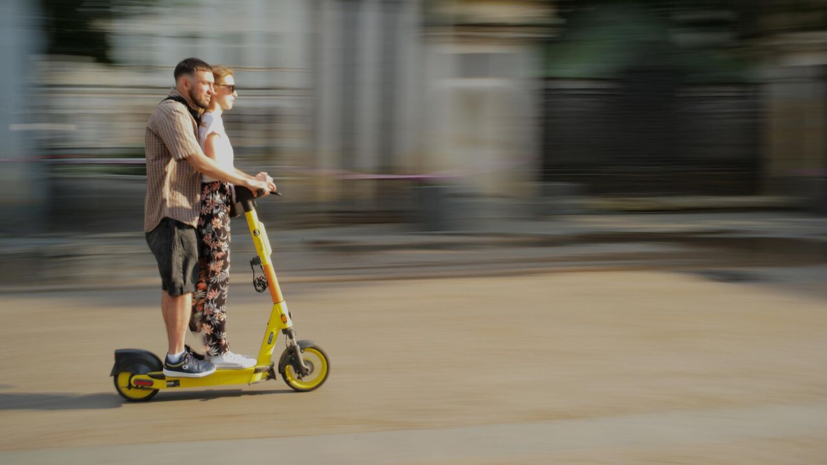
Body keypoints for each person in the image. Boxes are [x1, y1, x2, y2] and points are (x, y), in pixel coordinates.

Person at [144, 57, 275, 378]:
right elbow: (200, 163)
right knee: (180, 286)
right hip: (169, 212)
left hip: (184, 213)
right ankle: (177, 359)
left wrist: (249, 181)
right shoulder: (172, 112)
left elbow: (215, 167)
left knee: (190, 284)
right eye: (206, 83)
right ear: (185, 83)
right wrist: (248, 181)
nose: (212, 89)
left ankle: (200, 345)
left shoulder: (191, 114)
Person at [189, 65, 270, 369]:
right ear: (215, 90)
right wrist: (250, 182)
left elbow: (227, 171)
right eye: (231, 88)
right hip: (213, 208)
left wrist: (255, 179)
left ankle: (205, 330)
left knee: (213, 277)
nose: (236, 93)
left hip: (217, 205)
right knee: (216, 280)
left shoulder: (215, 123)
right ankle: (217, 349)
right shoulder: (210, 122)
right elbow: (212, 170)